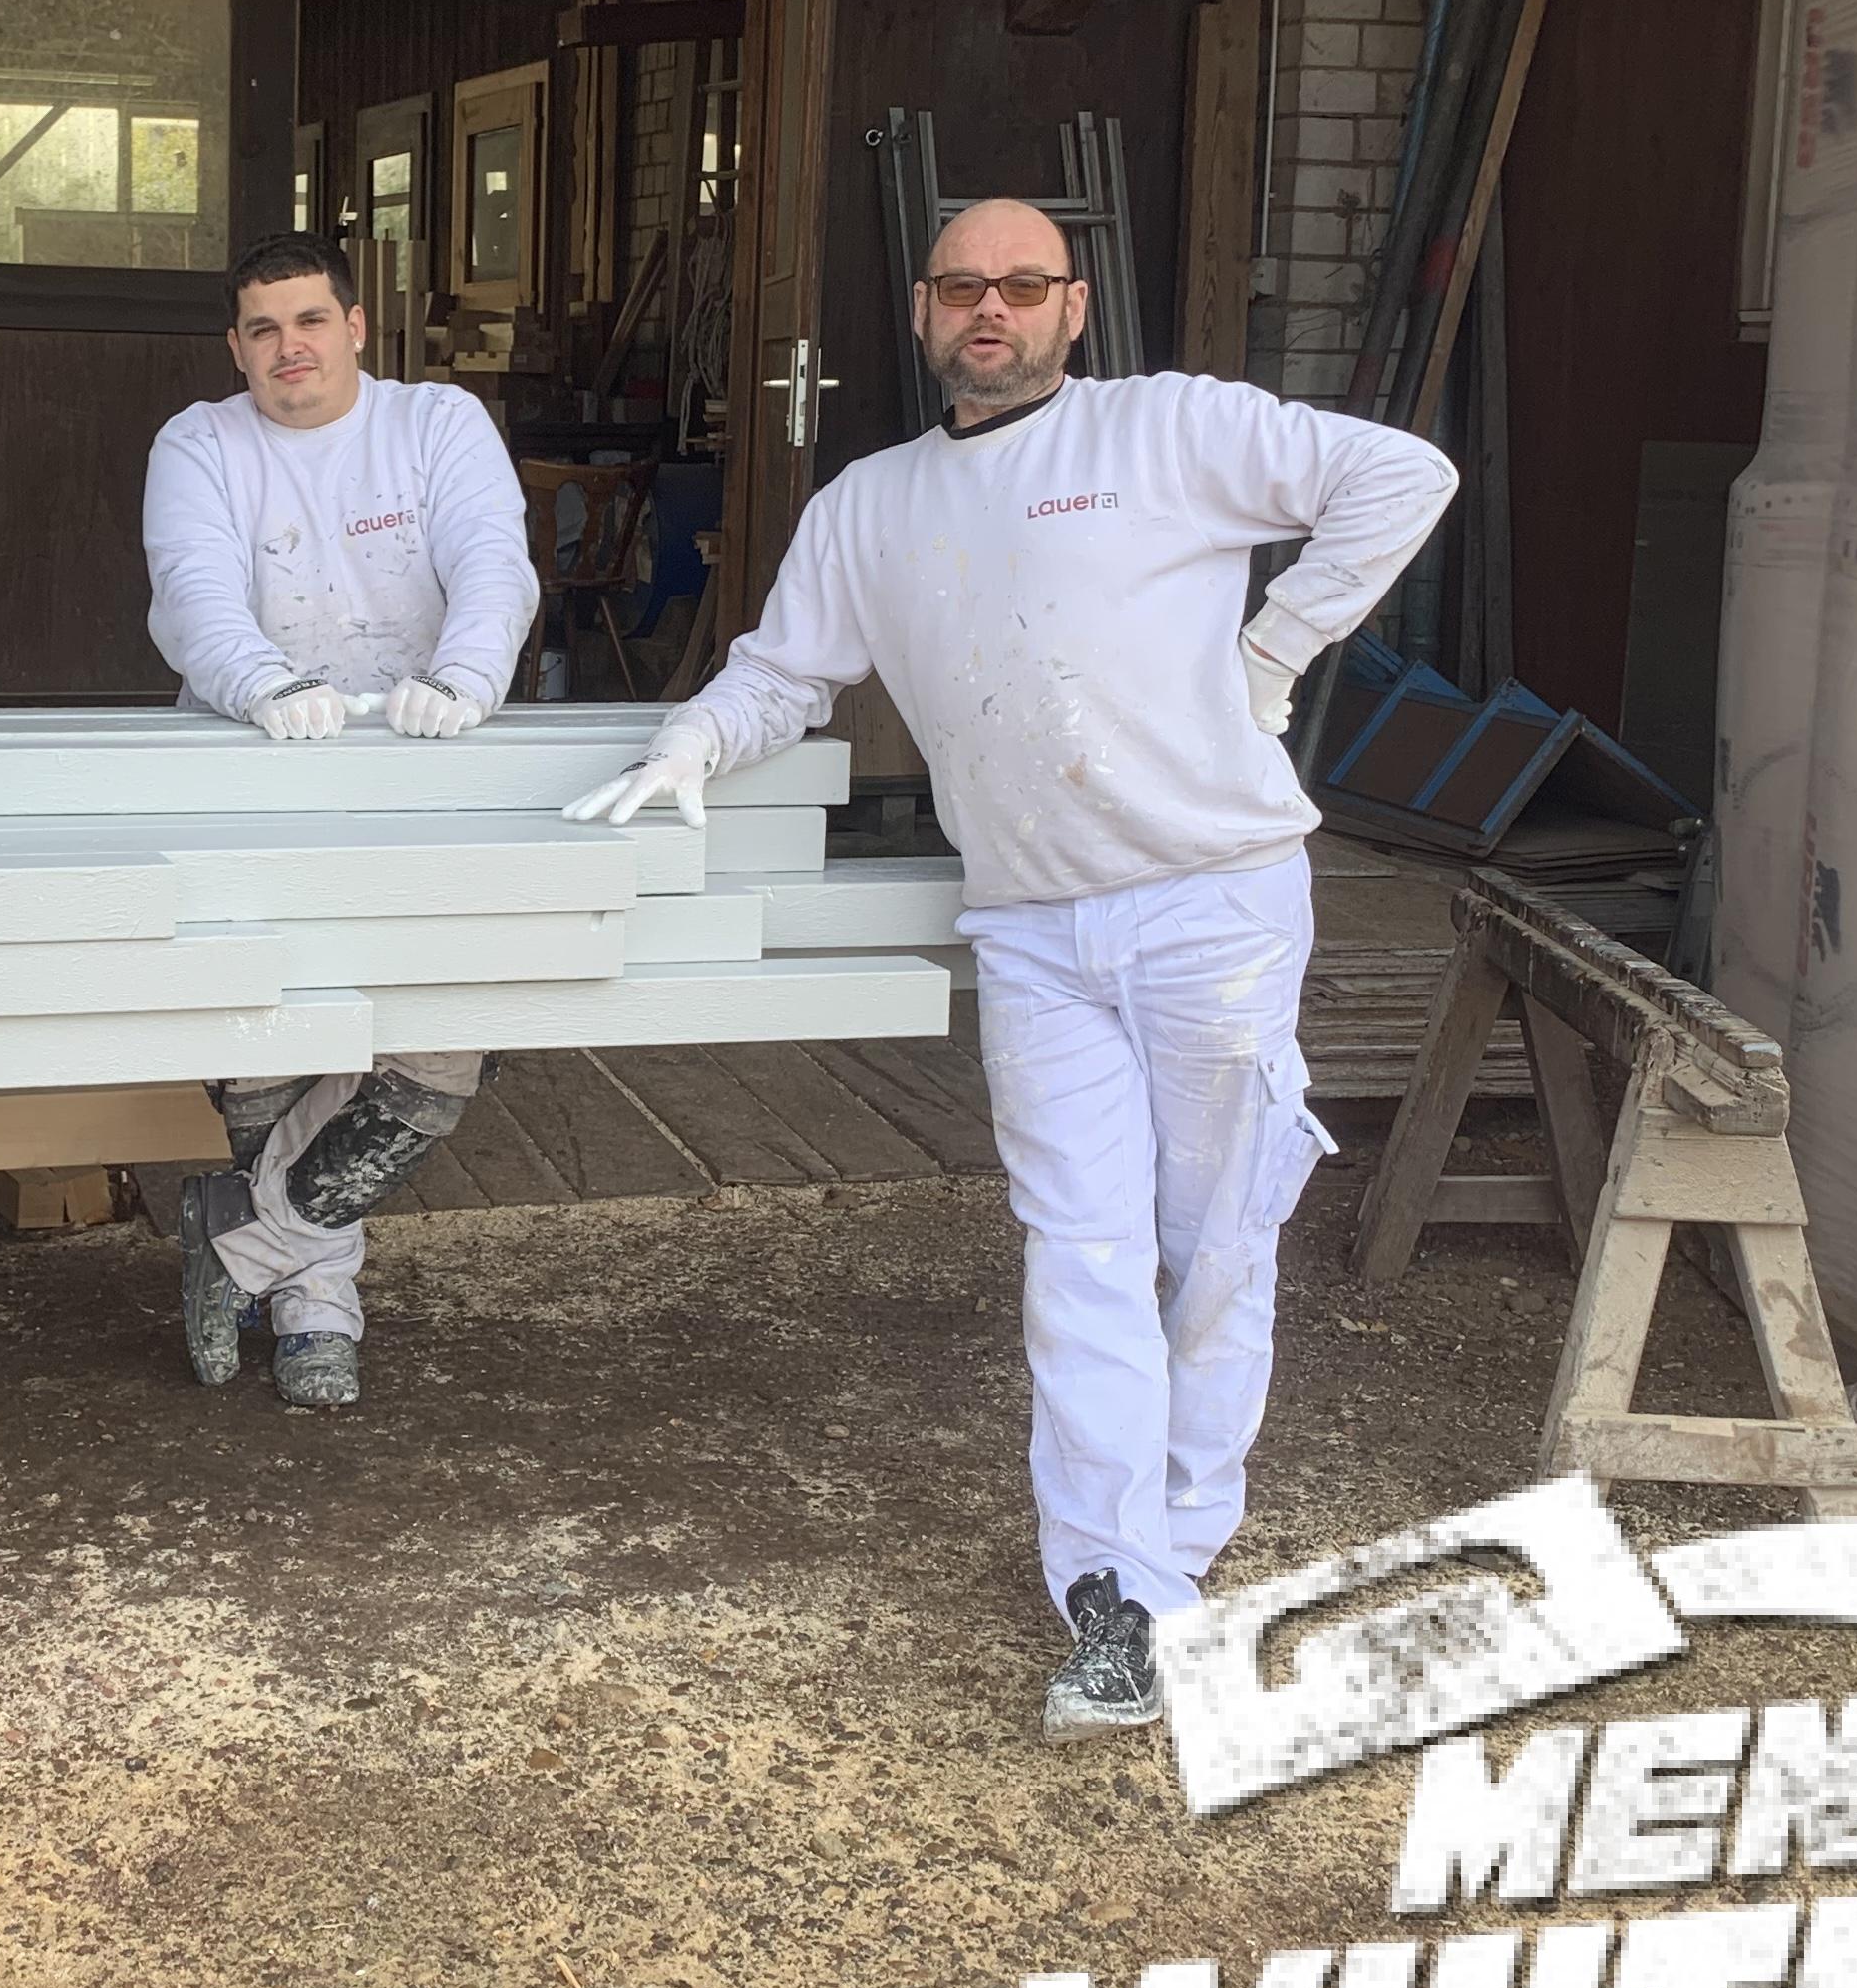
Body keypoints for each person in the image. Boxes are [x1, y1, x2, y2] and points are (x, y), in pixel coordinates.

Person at [568, 198, 1453, 1733]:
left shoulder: (1168, 430)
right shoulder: (870, 504)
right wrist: (694, 739)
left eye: (1024, 286)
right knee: (1081, 1251)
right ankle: (1120, 1592)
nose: (994, 310)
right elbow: (786, 669)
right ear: (923, 311)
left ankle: (1184, 1531)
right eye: (964, 287)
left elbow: (1402, 474)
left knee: (1214, 1240)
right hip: (1034, 927)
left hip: (1211, 900)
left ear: (1073, 308)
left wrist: (1275, 648)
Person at [141, 231, 541, 1410]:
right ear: (236, 347)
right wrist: (264, 683)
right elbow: (194, 595)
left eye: (312, 321)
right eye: (263, 330)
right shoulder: (201, 444)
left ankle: (241, 1249)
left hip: (424, 774)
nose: (290, 349)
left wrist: (466, 677)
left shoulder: (436, 426)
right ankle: (318, 1303)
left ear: (357, 327)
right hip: (253, 772)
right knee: (269, 1051)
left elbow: (494, 563)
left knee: (436, 1057)